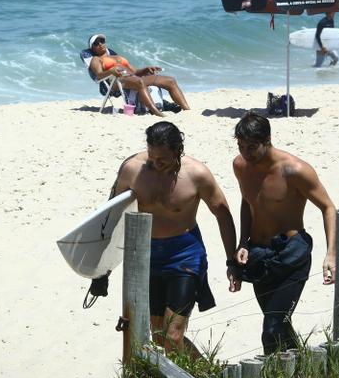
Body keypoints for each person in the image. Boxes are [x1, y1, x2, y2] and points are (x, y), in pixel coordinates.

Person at [91, 121, 239, 359]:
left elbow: (222, 213)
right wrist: (102, 270)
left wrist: (231, 261)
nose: (156, 164)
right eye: (151, 158)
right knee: (158, 334)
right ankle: (204, 373)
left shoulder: (196, 174)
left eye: (163, 160)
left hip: (185, 255)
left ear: (177, 150)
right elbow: (111, 215)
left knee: (173, 336)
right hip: (146, 256)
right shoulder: (132, 169)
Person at [230, 111, 337, 354]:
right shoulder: (240, 166)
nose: (246, 153)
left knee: (272, 327)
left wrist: (331, 254)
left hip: (291, 254)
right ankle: (303, 372)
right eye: (241, 146)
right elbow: (247, 202)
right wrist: (243, 243)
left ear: (267, 140)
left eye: (252, 147)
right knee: (280, 325)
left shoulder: (295, 170)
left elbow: (328, 207)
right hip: (259, 254)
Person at [87, 33, 190, 117]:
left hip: (132, 78)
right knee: (140, 82)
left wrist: (146, 70)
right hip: (117, 82)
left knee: (170, 80)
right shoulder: (96, 60)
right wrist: (111, 71)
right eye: (96, 43)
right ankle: (156, 112)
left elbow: (135, 72)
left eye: (102, 41)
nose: (100, 44)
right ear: (92, 48)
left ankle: (186, 109)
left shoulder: (117, 56)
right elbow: (99, 76)